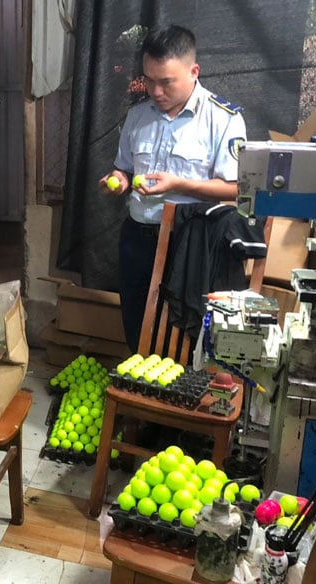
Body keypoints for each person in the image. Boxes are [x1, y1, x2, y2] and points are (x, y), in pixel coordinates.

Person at [99, 25, 247, 348]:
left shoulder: (223, 120)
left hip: (190, 245)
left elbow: (236, 189)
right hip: (139, 239)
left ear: (194, 71)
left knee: (185, 336)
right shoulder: (138, 117)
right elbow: (123, 167)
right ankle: (141, 393)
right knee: (138, 329)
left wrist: (179, 184)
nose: (155, 91)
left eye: (166, 82)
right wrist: (120, 181)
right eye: (149, 80)